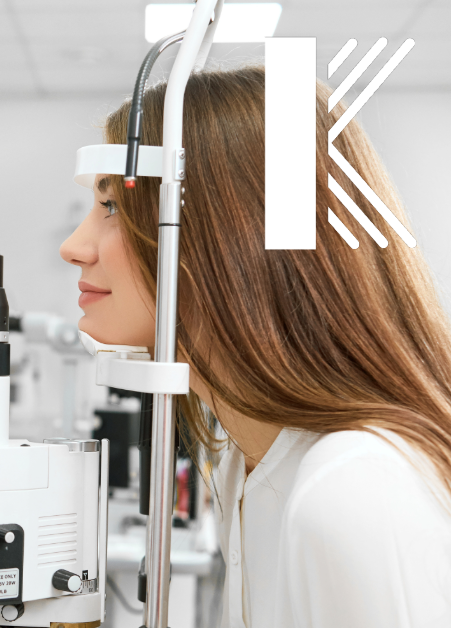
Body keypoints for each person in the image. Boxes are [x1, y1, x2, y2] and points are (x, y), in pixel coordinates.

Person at [61, 65, 451, 627]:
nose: (74, 248)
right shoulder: (239, 464)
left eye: (113, 206)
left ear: (230, 236)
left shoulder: (354, 488)